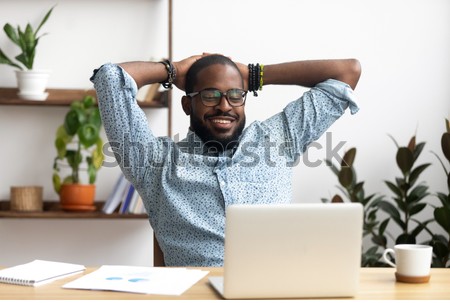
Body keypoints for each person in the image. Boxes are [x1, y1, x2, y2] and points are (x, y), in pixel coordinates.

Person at [90, 54, 361, 267]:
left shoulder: (278, 139)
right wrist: (173, 72)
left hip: (274, 302)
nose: (224, 106)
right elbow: (110, 78)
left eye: (235, 95)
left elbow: (347, 72)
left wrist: (253, 75)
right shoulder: (152, 163)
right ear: (187, 105)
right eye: (210, 95)